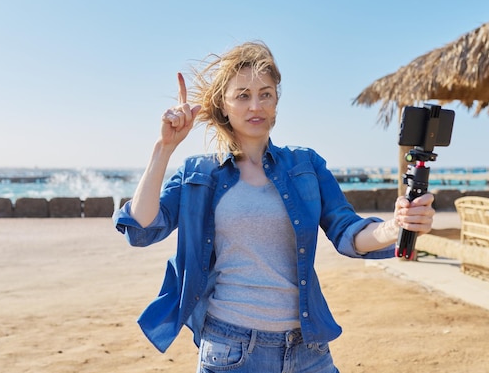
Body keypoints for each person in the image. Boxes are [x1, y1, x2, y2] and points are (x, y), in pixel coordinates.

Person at [113, 41, 435, 373]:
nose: (256, 105)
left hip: (308, 349)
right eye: (242, 95)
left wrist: (394, 226)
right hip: (232, 350)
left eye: (265, 94)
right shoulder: (199, 173)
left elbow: (346, 231)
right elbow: (142, 228)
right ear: (223, 105)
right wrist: (163, 149)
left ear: (277, 101)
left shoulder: (305, 164)